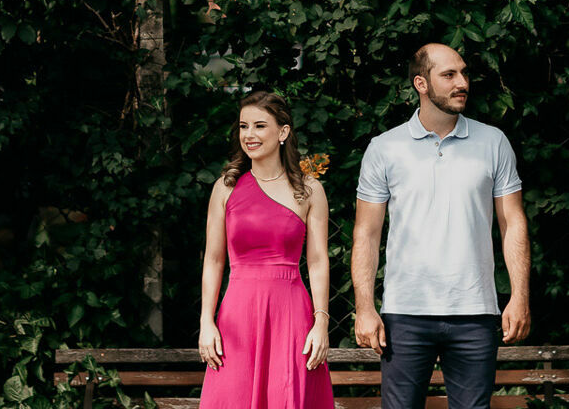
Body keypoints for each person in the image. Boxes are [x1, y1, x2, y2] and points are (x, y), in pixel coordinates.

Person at [351, 44, 530, 409]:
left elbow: (512, 222)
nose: (462, 82)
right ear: (421, 83)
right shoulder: (384, 149)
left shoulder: (493, 142)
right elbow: (366, 234)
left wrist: (520, 295)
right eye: (449, 75)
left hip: (475, 311)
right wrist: (365, 306)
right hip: (405, 312)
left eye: (463, 73)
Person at [199, 91, 336, 409]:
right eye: (244, 126)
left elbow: (317, 262)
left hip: (291, 313)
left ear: (283, 132)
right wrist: (207, 322)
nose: (249, 135)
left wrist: (321, 322)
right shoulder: (225, 187)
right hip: (237, 315)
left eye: (260, 126)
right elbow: (214, 259)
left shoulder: (310, 189)